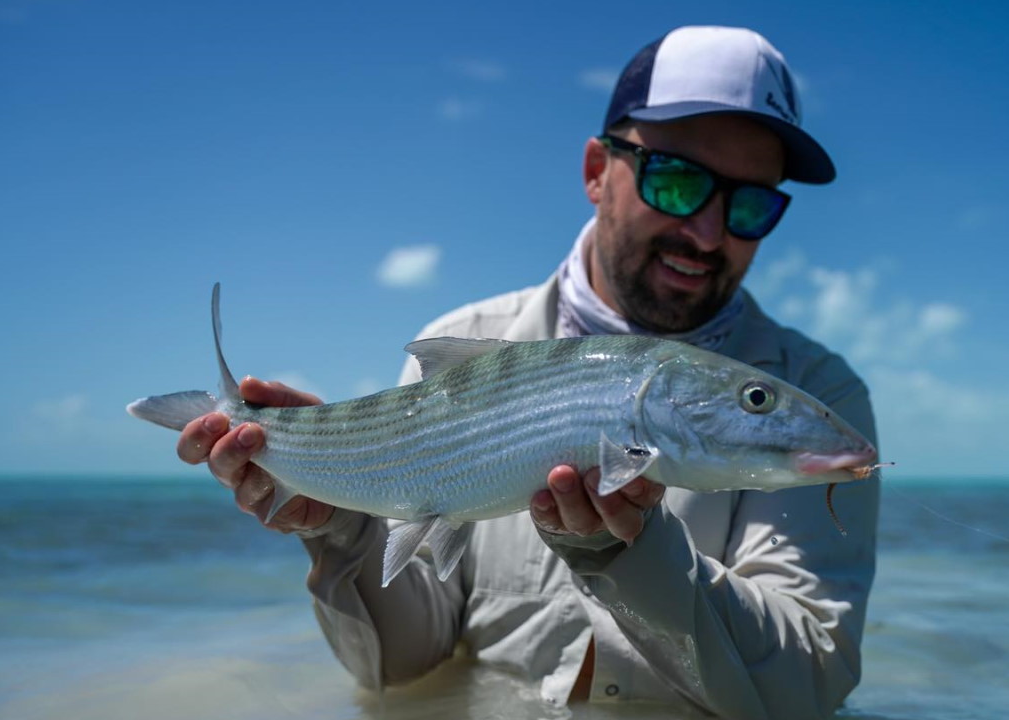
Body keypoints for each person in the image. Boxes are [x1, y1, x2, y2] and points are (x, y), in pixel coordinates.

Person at [176, 26, 879, 720]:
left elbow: (805, 687)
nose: (707, 232)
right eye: (675, 181)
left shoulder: (821, 391)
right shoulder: (462, 340)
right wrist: (339, 524)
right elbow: (403, 669)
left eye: (752, 204)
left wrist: (630, 553)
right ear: (597, 171)